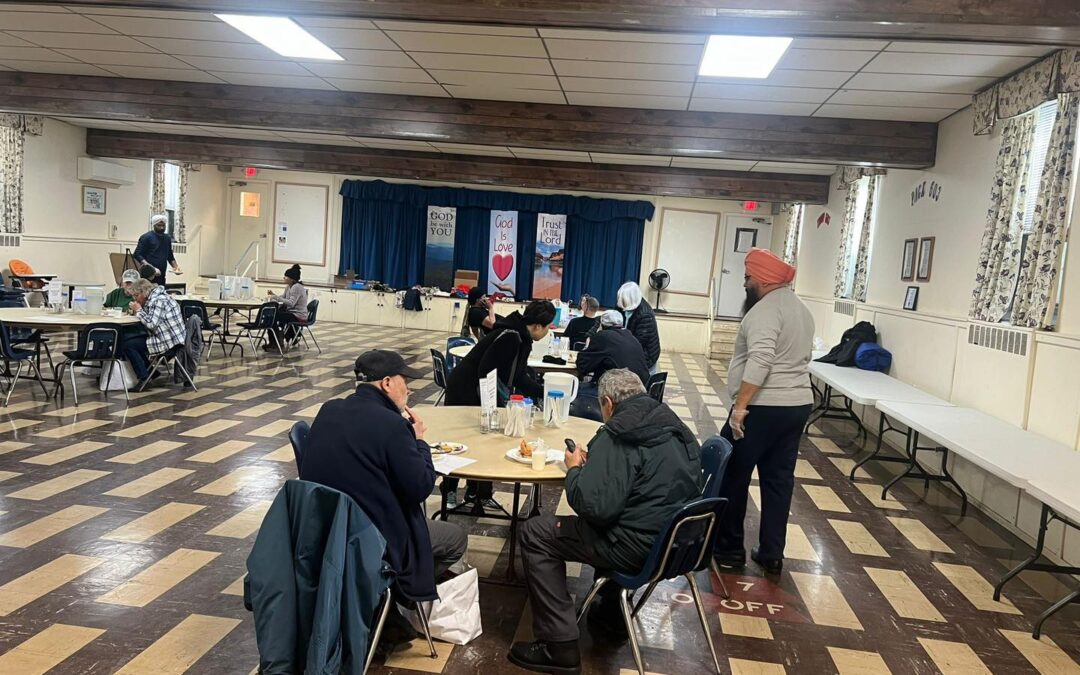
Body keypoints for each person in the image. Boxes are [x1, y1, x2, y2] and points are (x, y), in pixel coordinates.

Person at [509, 369, 702, 674]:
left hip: (635, 547)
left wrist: (574, 470)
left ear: (608, 404)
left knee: (536, 531)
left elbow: (594, 507)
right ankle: (610, 609)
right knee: (623, 513)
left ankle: (558, 646)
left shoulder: (619, 434)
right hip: (679, 544)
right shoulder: (673, 424)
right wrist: (599, 463)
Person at [299, 350, 468, 646]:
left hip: (322, 534)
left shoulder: (328, 409)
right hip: (373, 542)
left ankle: (371, 604)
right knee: (454, 538)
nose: (410, 389)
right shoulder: (393, 427)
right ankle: (384, 605)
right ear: (387, 383)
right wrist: (419, 442)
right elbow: (420, 487)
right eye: (405, 381)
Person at [713, 247, 814, 575]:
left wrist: (740, 408)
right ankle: (772, 552)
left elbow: (761, 359)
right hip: (797, 405)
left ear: (763, 279)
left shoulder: (764, 311)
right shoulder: (801, 309)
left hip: (762, 408)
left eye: (748, 277)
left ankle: (729, 550)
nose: (745, 284)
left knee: (731, 473)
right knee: (778, 479)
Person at [442, 300, 556, 509]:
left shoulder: (522, 337)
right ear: (538, 326)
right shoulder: (511, 337)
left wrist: (545, 392)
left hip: (482, 391)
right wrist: (496, 404)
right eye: (548, 327)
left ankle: (479, 493)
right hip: (466, 390)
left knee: (486, 443)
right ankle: (448, 491)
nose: (548, 332)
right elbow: (485, 371)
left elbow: (518, 376)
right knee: (463, 442)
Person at [570, 310, 650, 421]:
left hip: (621, 393)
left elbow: (582, 366)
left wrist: (589, 345)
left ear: (602, 325)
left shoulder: (603, 336)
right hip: (640, 389)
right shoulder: (630, 336)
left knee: (572, 389)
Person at [124, 278, 186, 383]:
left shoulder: (159, 300)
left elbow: (152, 324)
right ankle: (150, 372)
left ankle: (144, 377)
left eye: (136, 295)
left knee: (128, 345)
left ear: (144, 292)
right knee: (129, 339)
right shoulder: (155, 298)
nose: (135, 299)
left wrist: (139, 310)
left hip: (170, 341)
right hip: (165, 336)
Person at [616, 281, 661, 373]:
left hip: (645, 357)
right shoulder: (622, 307)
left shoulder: (645, 315)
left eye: (625, 302)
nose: (622, 306)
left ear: (631, 299)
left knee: (639, 385)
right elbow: (611, 320)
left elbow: (637, 343)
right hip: (630, 351)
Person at [266, 264, 309, 350]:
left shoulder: (296, 287)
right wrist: (274, 295)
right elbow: (283, 297)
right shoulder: (289, 287)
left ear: (291, 279)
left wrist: (276, 298)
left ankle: (275, 341)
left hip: (298, 315)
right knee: (273, 315)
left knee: (272, 317)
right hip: (292, 313)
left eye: (286, 277)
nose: (284, 278)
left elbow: (291, 303)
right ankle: (277, 339)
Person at [133, 214, 181, 285]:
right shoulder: (146, 237)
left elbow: (170, 256)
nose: (162, 228)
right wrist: (152, 269)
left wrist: (176, 268)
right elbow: (137, 254)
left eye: (163, 225)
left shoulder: (167, 238)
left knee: (160, 294)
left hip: (161, 275)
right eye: (159, 225)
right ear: (154, 225)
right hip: (147, 276)